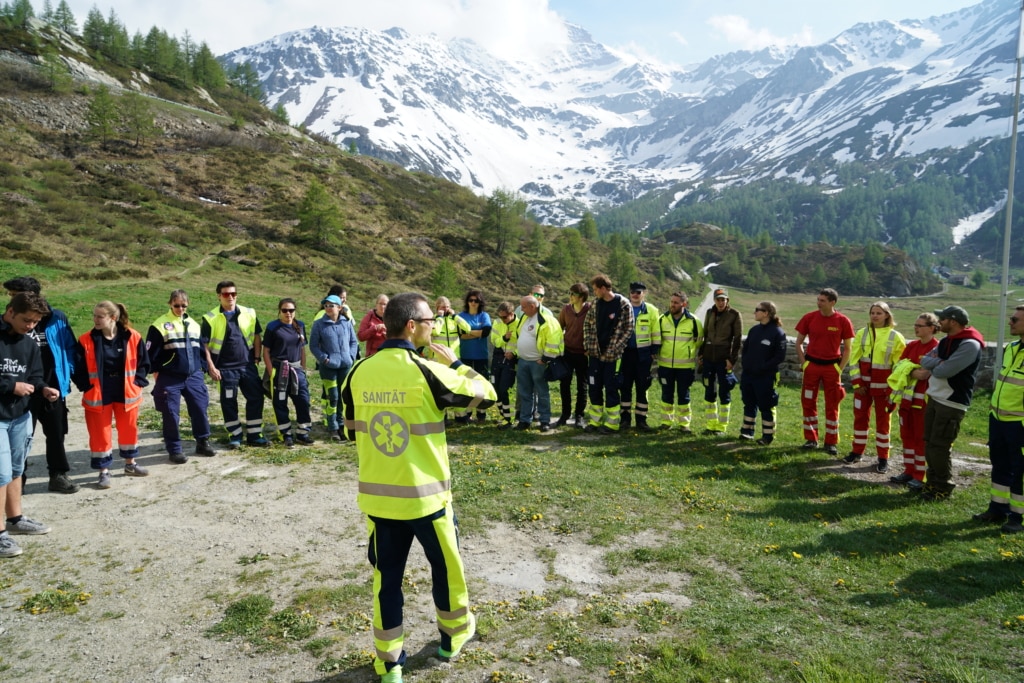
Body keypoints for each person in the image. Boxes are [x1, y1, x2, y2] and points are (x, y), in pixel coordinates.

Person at [339, 292, 496, 683]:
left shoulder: (358, 372)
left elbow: (349, 429)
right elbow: (487, 396)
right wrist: (457, 363)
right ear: (412, 326)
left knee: (386, 581)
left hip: (379, 501)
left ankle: (389, 663)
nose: (433, 327)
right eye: (430, 321)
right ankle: (452, 638)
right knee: (446, 570)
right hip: (427, 501)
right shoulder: (428, 371)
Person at [3, 277, 79, 494]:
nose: (10, 298)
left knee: (56, 432)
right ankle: (19, 480)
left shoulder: (57, 318)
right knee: (19, 438)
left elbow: (70, 348)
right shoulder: (11, 321)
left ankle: (58, 475)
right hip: (21, 389)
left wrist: (72, 378)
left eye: (14, 294)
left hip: (51, 386)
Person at [72, 301, 150, 489]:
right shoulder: (85, 340)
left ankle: (130, 464)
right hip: (98, 394)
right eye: (94, 315)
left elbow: (143, 362)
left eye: (100, 316)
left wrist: (138, 382)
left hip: (126, 392)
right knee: (100, 433)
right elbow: (77, 367)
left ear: (112, 318)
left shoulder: (132, 336)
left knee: (129, 429)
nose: (95, 320)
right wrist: (85, 386)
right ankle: (103, 471)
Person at [0, 293, 55, 558]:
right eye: (26, 320)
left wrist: (43, 389)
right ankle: (0, 534)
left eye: (35, 322)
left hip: (19, 416)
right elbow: (16, 382)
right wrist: (11, 386)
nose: (30, 326)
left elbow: (34, 375)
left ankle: (15, 519)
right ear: (10, 312)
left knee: (14, 469)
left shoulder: (29, 344)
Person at [911, 305, 983, 501]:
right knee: (929, 443)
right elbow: (925, 361)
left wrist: (939, 363)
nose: (939, 321)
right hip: (935, 397)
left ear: (953, 321)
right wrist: (941, 362)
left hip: (951, 402)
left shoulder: (969, 344)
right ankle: (932, 484)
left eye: (942, 318)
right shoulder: (947, 341)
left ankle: (943, 487)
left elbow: (944, 371)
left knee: (939, 446)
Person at [146, 289, 215, 463]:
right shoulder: (159, 325)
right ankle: (175, 449)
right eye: (176, 305)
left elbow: (200, 349)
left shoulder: (193, 324)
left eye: (183, 305)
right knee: (171, 414)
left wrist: (203, 367)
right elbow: (150, 353)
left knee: (200, 408)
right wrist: (156, 373)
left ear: (188, 305)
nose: (180, 309)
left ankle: (203, 442)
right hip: (170, 377)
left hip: (193, 376)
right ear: (170, 304)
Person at [201, 281, 270, 449]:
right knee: (229, 401)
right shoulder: (210, 318)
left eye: (233, 293)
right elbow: (204, 345)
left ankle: (254, 434)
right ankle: (235, 435)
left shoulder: (249, 313)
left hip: (247, 366)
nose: (230, 297)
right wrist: (211, 367)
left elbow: (256, 335)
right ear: (219, 296)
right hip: (225, 368)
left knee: (256, 397)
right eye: (226, 294)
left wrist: (256, 357)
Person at [973, 306, 1024, 532]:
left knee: (1020, 470)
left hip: (1019, 424)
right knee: (1000, 464)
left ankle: (1017, 517)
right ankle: (997, 508)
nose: (1010, 322)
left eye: (1015, 319)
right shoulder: (1012, 348)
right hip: (998, 419)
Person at [845, 302, 906, 473]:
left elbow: (899, 367)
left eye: (879, 313)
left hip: (884, 389)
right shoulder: (862, 334)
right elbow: (854, 360)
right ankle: (856, 452)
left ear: (887, 315)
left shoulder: (896, 337)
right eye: (872, 312)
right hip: (862, 387)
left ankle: (883, 458)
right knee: (860, 419)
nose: (875, 316)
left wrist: (891, 389)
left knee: (883, 423)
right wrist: (857, 383)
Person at [794, 288, 855, 456]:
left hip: (832, 367)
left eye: (822, 300)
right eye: (818, 299)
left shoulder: (843, 321)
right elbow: (798, 343)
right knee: (808, 401)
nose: (818, 303)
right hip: (811, 366)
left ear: (832, 302)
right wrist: (804, 364)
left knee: (833, 403)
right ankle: (811, 439)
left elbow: (848, 349)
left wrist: (839, 369)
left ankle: (831, 441)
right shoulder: (809, 317)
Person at [888, 313, 939, 488]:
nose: (916, 328)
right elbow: (898, 366)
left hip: (923, 403)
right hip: (906, 401)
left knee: (920, 439)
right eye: (915, 325)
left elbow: (925, 373)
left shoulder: (937, 347)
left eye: (920, 325)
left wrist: (907, 368)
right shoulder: (912, 345)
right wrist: (911, 370)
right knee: (907, 437)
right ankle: (908, 471)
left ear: (931, 328)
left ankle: (920, 475)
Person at [583, 274, 633, 434]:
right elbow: (587, 325)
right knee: (594, 387)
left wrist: (616, 347)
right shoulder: (595, 304)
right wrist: (588, 344)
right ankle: (595, 422)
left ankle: (612, 424)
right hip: (595, 355)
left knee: (611, 388)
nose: (594, 292)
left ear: (603, 288)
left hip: (612, 356)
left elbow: (628, 329)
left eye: (595, 289)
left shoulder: (623, 304)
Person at [507, 295, 563, 432]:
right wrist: (514, 352)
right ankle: (525, 420)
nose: (521, 310)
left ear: (532, 306)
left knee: (542, 392)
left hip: (537, 363)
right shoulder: (524, 318)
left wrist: (545, 359)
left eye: (524, 307)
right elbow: (518, 336)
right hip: (523, 361)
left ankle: (545, 420)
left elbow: (553, 341)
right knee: (524, 392)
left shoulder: (547, 320)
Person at [262, 298, 314, 447]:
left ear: (295, 311)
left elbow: (302, 348)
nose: (288, 313)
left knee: (303, 401)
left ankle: (303, 433)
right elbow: (266, 350)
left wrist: (303, 368)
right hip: (280, 370)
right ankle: (286, 435)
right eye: (284, 310)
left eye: (291, 310)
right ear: (280, 311)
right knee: (280, 403)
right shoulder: (273, 327)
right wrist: (271, 370)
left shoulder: (300, 326)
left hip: (297, 370)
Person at [310, 294, 359, 440]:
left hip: (345, 365)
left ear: (339, 307)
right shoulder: (319, 324)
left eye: (331, 305)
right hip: (328, 368)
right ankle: (332, 428)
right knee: (333, 397)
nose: (328, 308)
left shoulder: (346, 322)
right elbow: (313, 346)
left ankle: (342, 425)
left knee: (343, 397)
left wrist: (350, 356)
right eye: (326, 305)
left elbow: (353, 342)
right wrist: (324, 359)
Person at [739, 301, 787, 445]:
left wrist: (763, 367)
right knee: (748, 403)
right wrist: (746, 364)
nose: (755, 312)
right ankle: (747, 432)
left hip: (765, 376)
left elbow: (779, 356)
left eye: (757, 310)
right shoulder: (754, 330)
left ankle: (767, 436)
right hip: (749, 375)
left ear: (766, 313)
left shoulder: (777, 333)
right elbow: (745, 349)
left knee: (765, 405)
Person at [657, 292, 703, 433]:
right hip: (665, 365)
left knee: (684, 395)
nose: (673, 305)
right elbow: (657, 340)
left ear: (684, 304)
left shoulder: (694, 321)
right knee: (666, 394)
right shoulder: (662, 319)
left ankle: (684, 424)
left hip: (685, 366)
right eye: (671, 302)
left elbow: (699, 342)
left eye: (676, 302)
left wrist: (688, 353)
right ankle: (666, 422)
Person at [700, 288, 742, 434]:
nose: (721, 302)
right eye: (718, 299)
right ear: (714, 300)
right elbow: (705, 334)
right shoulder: (709, 313)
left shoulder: (734, 315)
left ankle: (721, 427)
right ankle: (711, 425)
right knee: (709, 391)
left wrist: (732, 360)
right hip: (708, 358)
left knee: (724, 391)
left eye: (723, 299)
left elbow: (737, 339)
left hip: (724, 360)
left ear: (727, 300)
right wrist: (701, 355)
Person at [619, 282, 660, 431]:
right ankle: (625, 420)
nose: (635, 295)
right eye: (632, 292)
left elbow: (656, 332)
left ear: (644, 293)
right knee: (625, 387)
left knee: (642, 388)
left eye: (638, 292)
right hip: (626, 354)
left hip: (643, 355)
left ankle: (641, 421)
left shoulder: (652, 310)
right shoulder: (623, 307)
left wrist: (654, 350)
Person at [556, 283, 590, 427]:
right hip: (568, 352)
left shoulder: (590, 309)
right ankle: (565, 415)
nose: (570, 296)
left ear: (581, 297)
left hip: (584, 354)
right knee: (565, 384)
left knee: (582, 386)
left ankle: (579, 416)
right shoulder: (566, 309)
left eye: (573, 294)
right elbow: (559, 328)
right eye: (569, 293)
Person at [455, 289, 492, 423]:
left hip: (481, 355)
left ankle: (481, 413)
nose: (473, 303)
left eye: (476, 300)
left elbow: (486, 332)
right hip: (466, 355)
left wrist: (468, 333)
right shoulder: (461, 316)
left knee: (481, 384)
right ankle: (468, 412)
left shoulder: (484, 316)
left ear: (480, 302)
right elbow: (460, 334)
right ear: (467, 302)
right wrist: (478, 333)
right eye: (471, 300)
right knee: (467, 384)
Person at [490, 302, 518, 429]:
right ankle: (503, 416)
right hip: (498, 357)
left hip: (512, 360)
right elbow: (494, 341)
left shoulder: (520, 324)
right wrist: (504, 339)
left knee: (505, 389)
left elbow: (524, 342)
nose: (502, 320)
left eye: (505, 317)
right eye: (500, 317)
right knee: (496, 388)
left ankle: (509, 419)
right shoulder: (497, 323)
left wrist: (514, 353)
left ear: (512, 314)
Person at [429, 297, 471, 361]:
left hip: (453, 356)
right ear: (438, 307)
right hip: (437, 357)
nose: (445, 309)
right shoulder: (433, 319)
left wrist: (455, 316)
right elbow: (435, 332)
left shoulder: (454, 319)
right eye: (443, 307)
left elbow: (467, 329)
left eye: (447, 307)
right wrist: (440, 318)